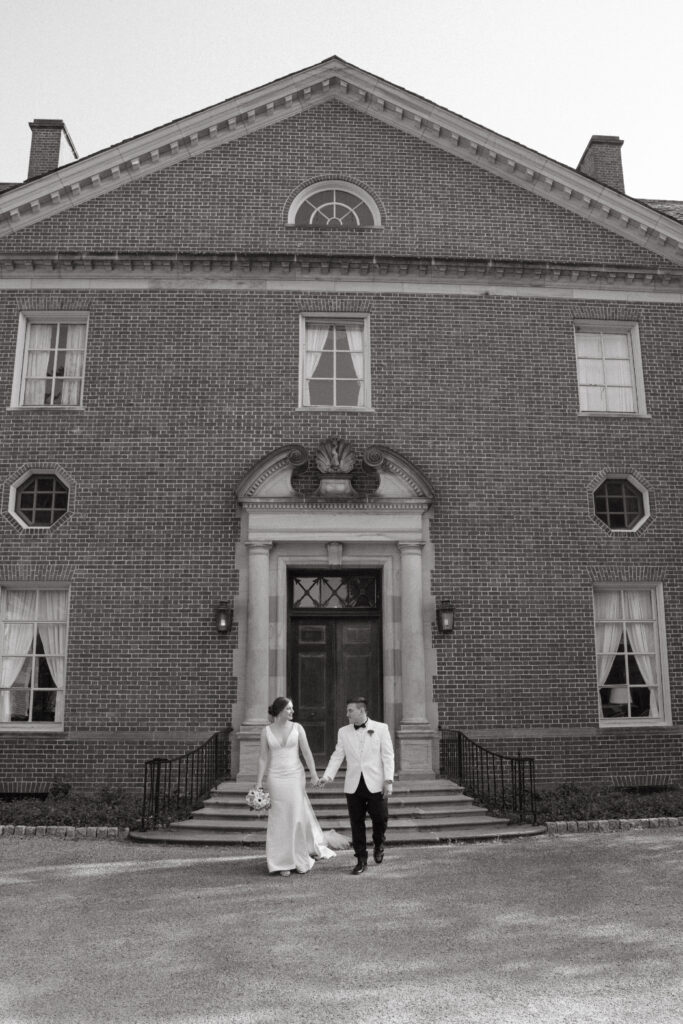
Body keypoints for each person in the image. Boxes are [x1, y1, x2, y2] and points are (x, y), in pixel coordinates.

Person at [255, 696, 335, 876]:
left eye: (292, 709)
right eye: (289, 709)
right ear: (279, 711)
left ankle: (297, 858)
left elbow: (306, 753)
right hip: (275, 777)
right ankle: (281, 862)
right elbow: (262, 758)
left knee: (296, 816)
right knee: (279, 817)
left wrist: (314, 775)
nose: (292, 712)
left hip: (295, 776)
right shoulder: (266, 731)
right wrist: (259, 782)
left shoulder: (298, 728)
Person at [320, 697, 395, 875]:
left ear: (361, 711)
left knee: (381, 818)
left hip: (376, 783)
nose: (347, 714)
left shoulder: (381, 728)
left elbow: (388, 756)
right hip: (353, 785)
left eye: (350, 711)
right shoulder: (343, 732)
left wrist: (388, 780)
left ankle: (379, 843)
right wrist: (327, 776)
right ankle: (361, 859)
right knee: (356, 823)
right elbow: (337, 755)